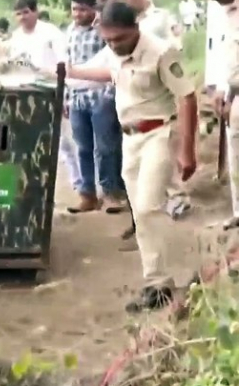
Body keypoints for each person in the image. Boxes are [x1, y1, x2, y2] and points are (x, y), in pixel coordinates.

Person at [68, 0, 197, 312]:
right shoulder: (114, 51)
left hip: (158, 134)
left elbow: (187, 97)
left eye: (120, 39)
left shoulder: (162, 52)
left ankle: (158, 283)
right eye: (108, 40)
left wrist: (187, 150)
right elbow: (107, 71)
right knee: (139, 212)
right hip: (130, 140)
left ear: (135, 29)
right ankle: (158, 280)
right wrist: (69, 71)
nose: (114, 46)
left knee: (148, 207)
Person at [9, 0, 83, 195]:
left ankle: (83, 185)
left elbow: (64, 67)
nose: (22, 18)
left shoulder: (51, 34)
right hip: (26, 94)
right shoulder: (16, 37)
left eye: (25, 12)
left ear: (35, 12)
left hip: (53, 90)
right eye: (18, 14)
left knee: (68, 141)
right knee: (31, 140)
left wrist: (62, 90)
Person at [65, 0, 125, 214]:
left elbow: (114, 62)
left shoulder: (103, 30)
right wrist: (65, 96)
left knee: (106, 147)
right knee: (82, 148)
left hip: (101, 96)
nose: (77, 14)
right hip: (77, 98)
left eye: (82, 9)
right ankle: (87, 194)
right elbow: (67, 64)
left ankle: (111, 194)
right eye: (74, 9)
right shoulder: (70, 31)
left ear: (93, 10)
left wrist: (111, 94)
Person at [213, 0, 239, 229]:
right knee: (236, 156)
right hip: (234, 96)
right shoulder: (222, 14)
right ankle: (238, 211)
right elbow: (227, 56)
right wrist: (224, 90)